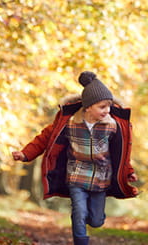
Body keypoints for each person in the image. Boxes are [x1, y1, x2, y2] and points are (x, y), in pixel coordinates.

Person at [12, 71, 139, 245]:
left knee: (96, 221)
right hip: (76, 175)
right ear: (88, 107)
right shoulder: (69, 122)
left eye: (109, 106)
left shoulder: (112, 126)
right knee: (78, 210)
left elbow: (121, 152)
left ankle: (91, 217)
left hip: (101, 179)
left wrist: (128, 172)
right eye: (102, 107)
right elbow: (44, 138)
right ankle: (80, 241)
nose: (107, 110)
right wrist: (25, 154)